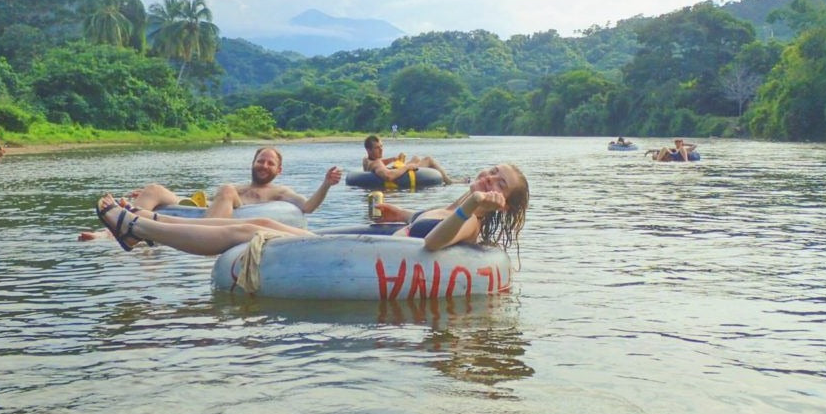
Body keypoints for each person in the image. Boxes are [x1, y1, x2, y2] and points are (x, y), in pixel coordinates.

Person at [95, 163, 529, 255]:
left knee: (251, 232)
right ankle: (151, 221)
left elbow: (433, 244)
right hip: (363, 242)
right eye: (491, 172)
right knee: (261, 222)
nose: (488, 180)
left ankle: (141, 229)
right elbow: (421, 227)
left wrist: (472, 202)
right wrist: (397, 213)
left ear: (503, 201)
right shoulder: (457, 206)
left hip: (361, 254)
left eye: (498, 183)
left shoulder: (471, 219)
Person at [79, 147, 341, 240]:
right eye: (260, 160)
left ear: (279, 170)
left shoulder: (279, 192)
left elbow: (306, 207)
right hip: (203, 213)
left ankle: (138, 227)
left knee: (225, 189)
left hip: (213, 227)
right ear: (252, 163)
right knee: (153, 189)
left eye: (270, 163)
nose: (264, 165)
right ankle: (110, 232)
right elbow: (206, 206)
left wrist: (326, 184)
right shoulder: (237, 188)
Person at [362, 134, 461, 185]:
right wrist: (407, 167)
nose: (381, 150)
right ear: (368, 150)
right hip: (402, 176)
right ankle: (449, 181)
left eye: (381, 146)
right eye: (377, 148)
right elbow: (388, 176)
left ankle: (448, 179)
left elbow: (379, 163)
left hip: (394, 170)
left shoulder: (366, 159)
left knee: (416, 158)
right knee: (428, 159)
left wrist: (392, 159)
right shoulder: (377, 164)